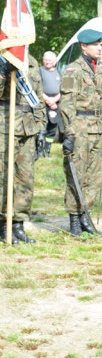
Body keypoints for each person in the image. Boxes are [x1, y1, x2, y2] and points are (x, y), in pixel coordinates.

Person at [60, 29, 102, 237]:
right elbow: (66, 104)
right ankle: (74, 218)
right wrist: (70, 134)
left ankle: (85, 217)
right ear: (84, 46)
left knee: (94, 177)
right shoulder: (73, 70)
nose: (100, 47)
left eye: (101, 44)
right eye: (96, 44)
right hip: (80, 128)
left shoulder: (100, 71)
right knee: (77, 175)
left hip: (97, 129)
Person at [0, 52, 46, 243]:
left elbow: (39, 99)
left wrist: (41, 127)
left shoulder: (32, 62)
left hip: (27, 127)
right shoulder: (2, 60)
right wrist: (3, 73)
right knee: (3, 177)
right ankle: (3, 224)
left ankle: (18, 224)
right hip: (4, 125)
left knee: (25, 178)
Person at [38, 50, 61, 156]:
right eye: (45, 60)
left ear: (55, 61)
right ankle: (39, 150)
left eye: (49, 60)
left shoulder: (59, 72)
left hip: (55, 104)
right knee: (42, 127)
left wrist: (54, 100)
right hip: (42, 103)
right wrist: (47, 100)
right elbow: (37, 88)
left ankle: (47, 150)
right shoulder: (39, 71)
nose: (47, 62)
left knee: (52, 128)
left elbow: (63, 89)